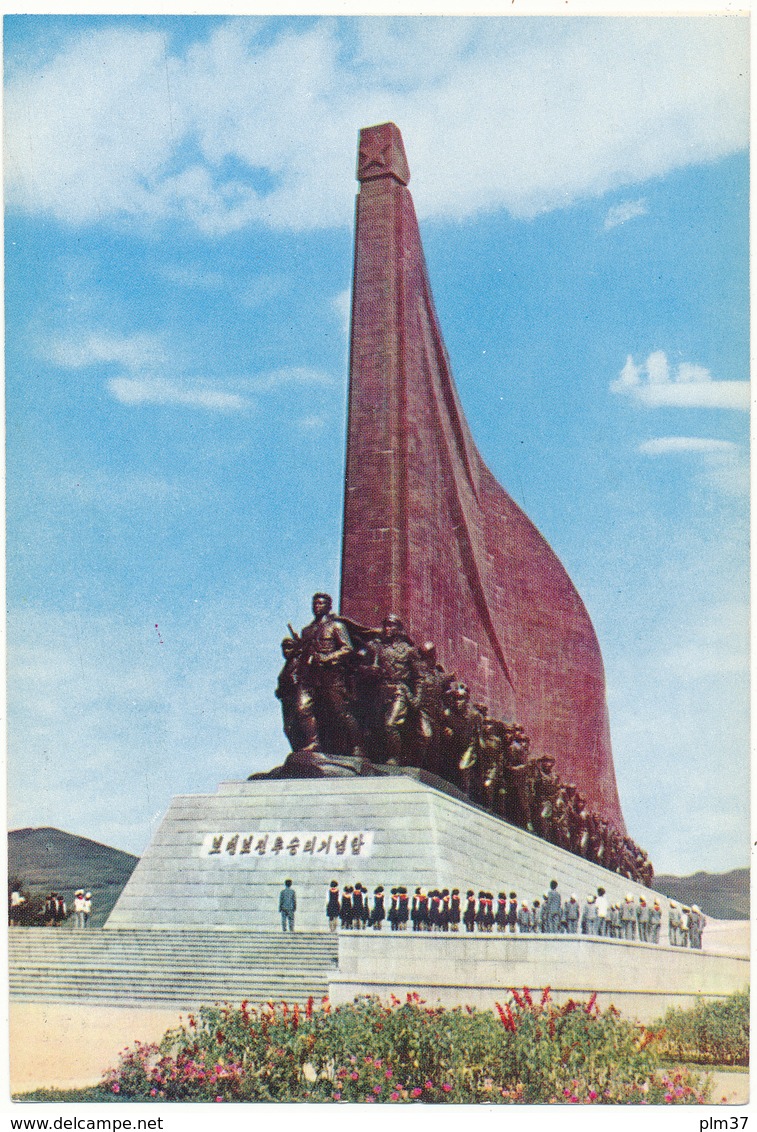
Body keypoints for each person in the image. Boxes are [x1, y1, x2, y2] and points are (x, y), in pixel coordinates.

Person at [298, 593, 364, 756]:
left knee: (340, 712)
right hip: (310, 677)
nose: (317, 606)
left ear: (328, 607)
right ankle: (313, 743)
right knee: (303, 708)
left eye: (321, 604)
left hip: (331, 676)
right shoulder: (306, 630)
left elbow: (347, 648)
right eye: (315, 604)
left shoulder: (336, 626)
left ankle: (357, 746)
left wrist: (327, 657)